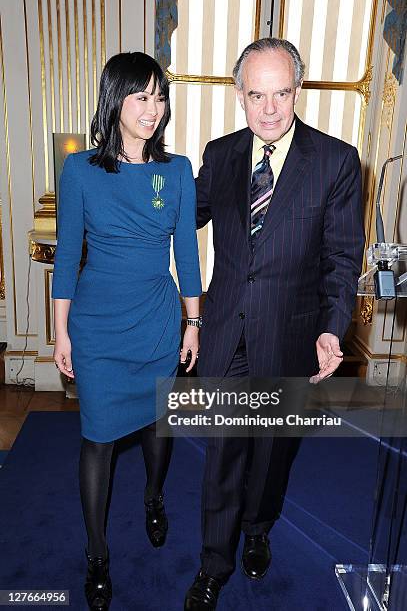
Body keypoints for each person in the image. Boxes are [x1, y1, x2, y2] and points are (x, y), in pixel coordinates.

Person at [184, 38, 365, 610]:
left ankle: (258, 528)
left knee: (271, 452)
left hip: (291, 334)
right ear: (239, 95)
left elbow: (342, 258)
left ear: (298, 91)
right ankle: (214, 561)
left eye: (280, 93)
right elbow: (179, 220)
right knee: (223, 452)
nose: (269, 109)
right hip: (226, 331)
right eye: (256, 94)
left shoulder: (336, 161)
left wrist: (333, 327)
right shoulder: (220, 154)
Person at [52, 52, 202, 611]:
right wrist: (60, 333)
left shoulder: (177, 170)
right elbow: (67, 256)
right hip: (97, 327)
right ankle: (97, 553)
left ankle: (154, 496)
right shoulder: (81, 171)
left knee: (157, 427)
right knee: (97, 439)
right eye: (141, 97)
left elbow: (186, 253)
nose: (153, 109)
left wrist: (193, 322)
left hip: (158, 324)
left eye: (159, 97)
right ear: (114, 99)